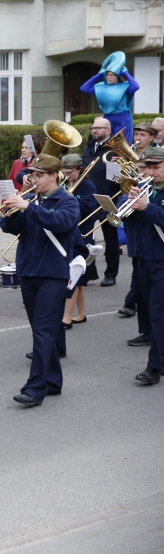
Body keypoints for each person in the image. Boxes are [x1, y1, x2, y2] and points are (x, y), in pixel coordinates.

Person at [0, 154, 79, 407]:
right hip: (29, 271)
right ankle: (53, 381)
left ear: (54, 175)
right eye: (32, 175)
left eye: (39, 175)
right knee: (42, 330)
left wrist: (28, 207)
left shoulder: (67, 201)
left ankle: (34, 388)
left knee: (43, 331)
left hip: (53, 274)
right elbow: (10, 228)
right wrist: (10, 210)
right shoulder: (32, 199)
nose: (34, 180)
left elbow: (61, 223)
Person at [122, 147, 164, 386]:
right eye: (149, 167)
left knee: (158, 314)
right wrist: (129, 202)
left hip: (161, 260)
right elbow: (129, 219)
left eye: (156, 167)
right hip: (144, 257)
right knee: (150, 310)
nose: (151, 172)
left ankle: (154, 366)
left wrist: (147, 207)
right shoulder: (148, 188)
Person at [80, 118, 120, 287]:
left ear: (108, 131)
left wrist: (116, 167)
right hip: (89, 198)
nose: (94, 130)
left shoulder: (114, 149)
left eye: (99, 128)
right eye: (93, 127)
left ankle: (111, 274)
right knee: (86, 237)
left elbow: (116, 180)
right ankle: (90, 271)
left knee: (110, 240)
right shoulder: (89, 147)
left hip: (107, 198)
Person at [61, 154, 99, 327]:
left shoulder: (87, 185)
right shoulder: (64, 183)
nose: (67, 175)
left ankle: (67, 317)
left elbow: (90, 207)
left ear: (79, 170)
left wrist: (69, 199)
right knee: (78, 279)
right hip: (67, 234)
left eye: (70, 172)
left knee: (75, 277)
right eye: (64, 171)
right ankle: (81, 313)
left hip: (83, 234)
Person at [81, 51, 139, 144]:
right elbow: (84, 88)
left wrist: (125, 72)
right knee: (107, 142)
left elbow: (136, 86)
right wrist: (99, 74)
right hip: (107, 117)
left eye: (112, 75)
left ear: (117, 76)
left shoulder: (124, 86)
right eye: (108, 74)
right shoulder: (101, 87)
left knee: (123, 143)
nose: (110, 77)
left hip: (122, 117)